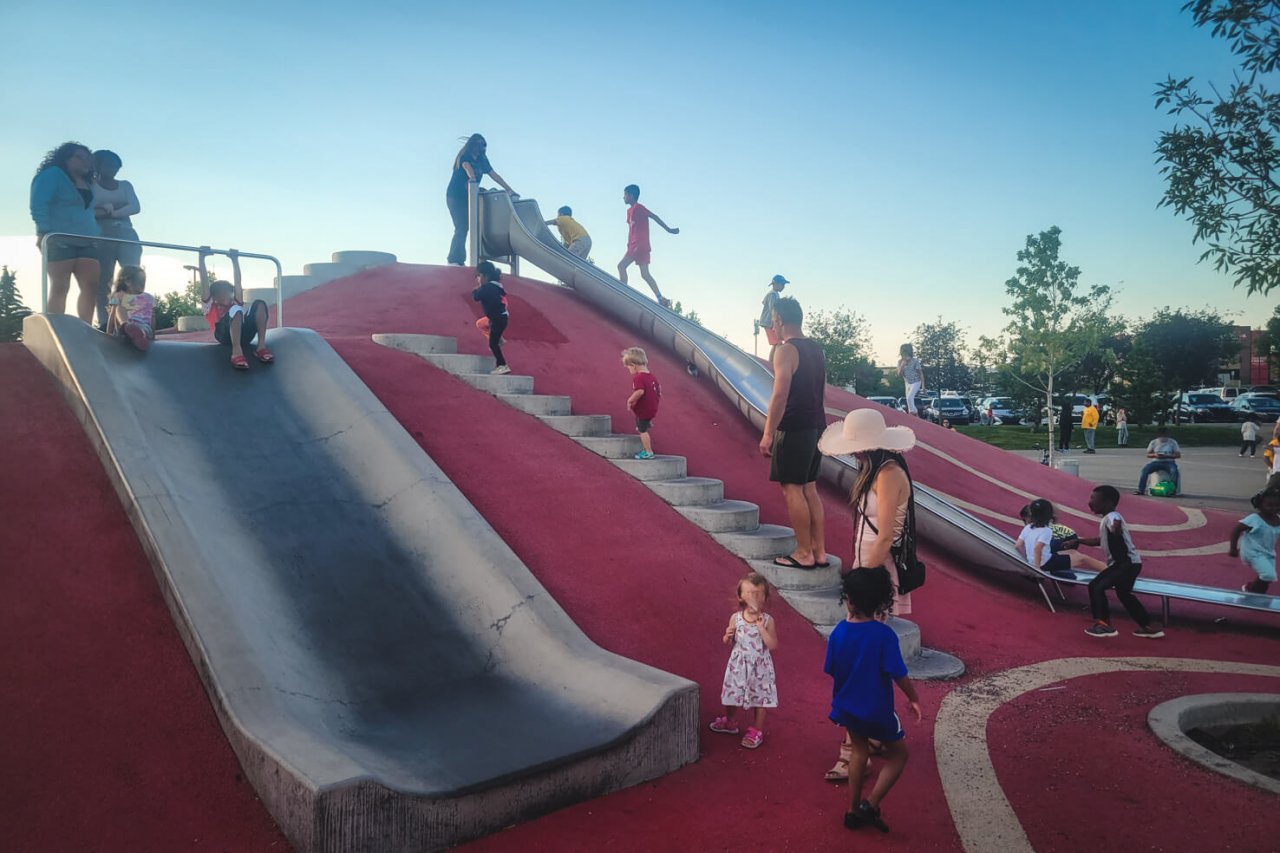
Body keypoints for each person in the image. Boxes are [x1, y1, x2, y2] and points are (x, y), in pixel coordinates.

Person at [824, 567, 922, 833]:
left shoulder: (838, 633)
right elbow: (898, 674)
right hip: (877, 709)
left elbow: (831, 668)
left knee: (858, 751)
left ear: (849, 600)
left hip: (848, 707)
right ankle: (871, 804)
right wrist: (913, 698)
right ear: (881, 602)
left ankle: (852, 810)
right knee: (899, 755)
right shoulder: (883, 636)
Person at [818, 407, 918, 615]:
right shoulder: (876, 472)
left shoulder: (888, 475)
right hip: (868, 562)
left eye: (858, 447)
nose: (854, 453)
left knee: (870, 629)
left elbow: (886, 537)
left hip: (877, 566)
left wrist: (863, 580)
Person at [759, 296, 827, 569]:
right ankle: (819, 551)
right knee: (810, 487)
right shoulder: (816, 349)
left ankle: (803, 553)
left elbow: (779, 394)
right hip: (815, 424)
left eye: (773, 320)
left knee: (792, 489)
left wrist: (767, 433)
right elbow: (821, 391)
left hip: (794, 426)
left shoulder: (785, 351)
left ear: (779, 321)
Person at [1076, 485, 1165, 638]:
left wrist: (1115, 528)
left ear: (1108, 503)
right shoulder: (1107, 518)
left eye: (1094, 499)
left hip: (1124, 563)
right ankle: (1149, 626)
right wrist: (1078, 541)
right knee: (1123, 594)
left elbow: (1114, 524)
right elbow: (1100, 540)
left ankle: (1103, 625)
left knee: (1096, 586)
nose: (1090, 502)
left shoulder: (1112, 517)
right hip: (1132, 563)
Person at [30, 142, 101, 321]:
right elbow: (39, 204)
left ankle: (85, 327)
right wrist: (43, 232)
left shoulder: (88, 182)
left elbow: (87, 210)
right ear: (66, 158)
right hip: (59, 238)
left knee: (91, 285)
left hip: (88, 239)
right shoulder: (52, 175)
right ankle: (57, 326)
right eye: (80, 157)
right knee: (60, 286)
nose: (86, 162)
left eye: (88, 159)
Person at [708, 572, 778, 750]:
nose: (753, 597)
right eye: (749, 593)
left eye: (758, 594)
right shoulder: (736, 618)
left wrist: (761, 629)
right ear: (740, 597)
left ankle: (757, 730)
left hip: (759, 667)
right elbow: (728, 641)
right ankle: (730, 721)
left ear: (765, 597)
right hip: (738, 665)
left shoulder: (768, 621)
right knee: (732, 693)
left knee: (759, 699)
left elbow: (772, 644)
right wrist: (727, 635)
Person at [445, 134, 515, 266]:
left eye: (483, 145)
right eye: (478, 144)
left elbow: (494, 175)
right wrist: (472, 178)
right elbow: (467, 167)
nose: (480, 147)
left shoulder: (483, 159)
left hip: (470, 195)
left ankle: (474, 258)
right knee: (462, 226)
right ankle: (454, 259)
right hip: (456, 196)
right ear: (472, 144)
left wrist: (509, 189)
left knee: (474, 225)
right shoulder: (464, 156)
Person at [91, 150, 142, 330]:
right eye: (108, 165)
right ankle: (106, 321)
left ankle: (135, 318)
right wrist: (117, 208)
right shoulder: (91, 185)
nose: (112, 170)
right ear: (97, 165)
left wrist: (111, 211)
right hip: (101, 235)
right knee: (103, 278)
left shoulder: (125, 185)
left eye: (115, 166)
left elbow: (135, 207)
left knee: (132, 276)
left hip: (126, 233)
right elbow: (87, 209)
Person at [199, 248, 273, 370]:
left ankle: (261, 347)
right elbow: (204, 282)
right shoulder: (210, 305)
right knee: (236, 310)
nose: (231, 296)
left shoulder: (234, 303)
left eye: (231, 293)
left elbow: (238, 282)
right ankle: (236, 353)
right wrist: (201, 258)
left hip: (243, 335)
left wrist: (235, 260)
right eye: (227, 294)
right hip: (223, 336)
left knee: (259, 304)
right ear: (217, 297)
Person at [617, 184, 679, 307]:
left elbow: (654, 217)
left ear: (631, 196)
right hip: (638, 245)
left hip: (639, 244)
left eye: (625, 195)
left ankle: (622, 293)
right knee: (645, 274)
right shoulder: (629, 211)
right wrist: (628, 243)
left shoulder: (638, 208)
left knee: (621, 266)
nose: (623, 197)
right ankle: (661, 298)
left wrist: (668, 229)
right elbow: (630, 229)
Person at [1015, 498, 1105, 579]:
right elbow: (1037, 548)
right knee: (1082, 558)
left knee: (1072, 554)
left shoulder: (1029, 528)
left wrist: (1028, 561)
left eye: (1024, 520)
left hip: (1066, 539)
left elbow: (1019, 545)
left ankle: (1066, 573)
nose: (1024, 522)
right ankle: (1109, 571)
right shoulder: (1045, 529)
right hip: (1047, 559)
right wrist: (1037, 569)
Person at [1229, 488, 1280, 594]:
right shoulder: (1254, 519)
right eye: (1269, 505)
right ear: (1260, 505)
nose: (1274, 508)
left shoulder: (1278, 519)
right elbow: (1236, 530)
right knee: (1268, 574)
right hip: (1252, 552)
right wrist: (1233, 548)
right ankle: (1250, 589)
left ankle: (1259, 594)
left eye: (1277, 505)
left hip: (1268, 552)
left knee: (1268, 578)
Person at [621, 346, 661, 460]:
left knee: (642, 431)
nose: (628, 369)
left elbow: (640, 391)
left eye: (628, 367)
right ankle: (647, 423)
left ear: (633, 365)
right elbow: (659, 389)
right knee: (643, 424)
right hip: (651, 408)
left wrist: (630, 400)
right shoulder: (652, 377)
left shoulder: (639, 378)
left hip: (644, 410)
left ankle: (648, 451)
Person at [472, 261, 511, 375]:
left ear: (485, 276)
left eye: (478, 276)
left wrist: (476, 289)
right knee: (480, 324)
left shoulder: (487, 288)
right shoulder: (495, 286)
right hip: (499, 318)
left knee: (492, 344)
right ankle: (499, 339)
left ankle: (502, 365)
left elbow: (476, 297)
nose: (477, 279)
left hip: (496, 319)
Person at [104, 265, 154, 352]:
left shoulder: (149, 297)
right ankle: (126, 326)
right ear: (128, 281)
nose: (143, 284)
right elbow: (112, 317)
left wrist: (153, 337)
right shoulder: (119, 296)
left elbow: (152, 317)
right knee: (119, 308)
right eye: (140, 281)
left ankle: (138, 337)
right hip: (122, 327)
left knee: (142, 330)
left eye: (144, 281)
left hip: (143, 327)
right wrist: (108, 334)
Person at [1136, 426, 1181, 496]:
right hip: (1156, 461)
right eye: (1161, 435)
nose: (1163, 437)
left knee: (1174, 471)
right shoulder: (1154, 442)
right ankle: (1141, 490)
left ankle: (1172, 490)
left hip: (1169, 461)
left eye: (1164, 435)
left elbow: (1178, 455)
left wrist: (1168, 456)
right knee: (1145, 470)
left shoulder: (1172, 442)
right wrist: (1155, 455)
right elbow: (1148, 454)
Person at [757, 275, 788, 351]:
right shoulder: (772, 294)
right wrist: (777, 321)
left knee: (777, 343)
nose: (783, 287)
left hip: (772, 322)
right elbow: (773, 309)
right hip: (769, 323)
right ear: (776, 284)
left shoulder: (775, 294)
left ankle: (772, 362)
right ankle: (772, 362)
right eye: (782, 284)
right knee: (777, 343)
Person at [896, 344, 924, 417]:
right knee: (909, 401)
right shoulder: (900, 362)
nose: (905, 357)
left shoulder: (915, 361)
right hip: (907, 382)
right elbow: (898, 374)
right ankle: (914, 415)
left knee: (909, 398)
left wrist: (923, 386)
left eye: (906, 355)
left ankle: (914, 412)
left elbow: (920, 373)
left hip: (916, 381)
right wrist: (902, 366)